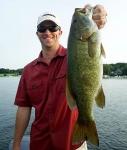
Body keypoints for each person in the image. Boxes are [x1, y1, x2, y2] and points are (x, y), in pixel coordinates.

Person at [12, 4, 107, 150]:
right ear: (37, 34)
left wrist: (98, 11)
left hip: (72, 143)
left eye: (53, 28)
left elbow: (95, 29)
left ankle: (86, 124)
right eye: (42, 28)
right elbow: (24, 109)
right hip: (40, 144)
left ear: (60, 32)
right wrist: (16, 144)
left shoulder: (73, 56)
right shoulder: (28, 71)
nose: (47, 31)